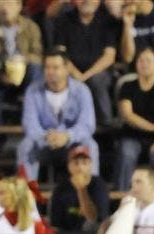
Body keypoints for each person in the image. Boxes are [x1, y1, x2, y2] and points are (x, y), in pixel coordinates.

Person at [17, 47, 98, 182]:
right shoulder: (33, 90)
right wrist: (48, 137)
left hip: (72, 145)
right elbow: (29, 125)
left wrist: (67, 136)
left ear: (66, 69)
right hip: (43, 143)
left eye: (55, 67)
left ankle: (91, 193)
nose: (50, 72)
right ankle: (26, 196)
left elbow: (87, 125)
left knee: (90, 145)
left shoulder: (82, 91)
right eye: (47, 68)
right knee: (25, 146)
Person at [0, 0, 43, 150]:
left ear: (19, 6)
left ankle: (33, 125)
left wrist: (22, 62)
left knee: (36, 69)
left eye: (9, 3)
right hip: (2, 77)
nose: (5, 8)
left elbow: (38, 55)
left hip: (25, 76)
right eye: (2, 4)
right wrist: (3, 74)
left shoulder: (31, 27)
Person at [115, 47, 154, 191]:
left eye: (149, 60)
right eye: (141, 60)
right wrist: (151, 127)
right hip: (133, 135)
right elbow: (128, 115)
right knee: (127, 152)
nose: (144, 63)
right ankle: (123, 198)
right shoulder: (127, 86)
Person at [53, 0, 121, 127]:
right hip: (70, 71)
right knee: (58, 77)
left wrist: (85, 76)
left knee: (96, 80)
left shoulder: (108, 21)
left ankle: (107, 126)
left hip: (100, 72)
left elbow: (109, 57)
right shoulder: (64, 20)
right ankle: (62, 126)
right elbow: (60, 55)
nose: (86, 1)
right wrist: (76, 75)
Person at [48, 145, 109, 233]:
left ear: (90, 165)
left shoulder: (99, 185)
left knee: (90, 225)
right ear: (69, 166)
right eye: (76, 163)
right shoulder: (61, 188)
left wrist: (81, 189)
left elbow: (94, 219)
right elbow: (56, 224)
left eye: (84, 163)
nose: (80, 167)